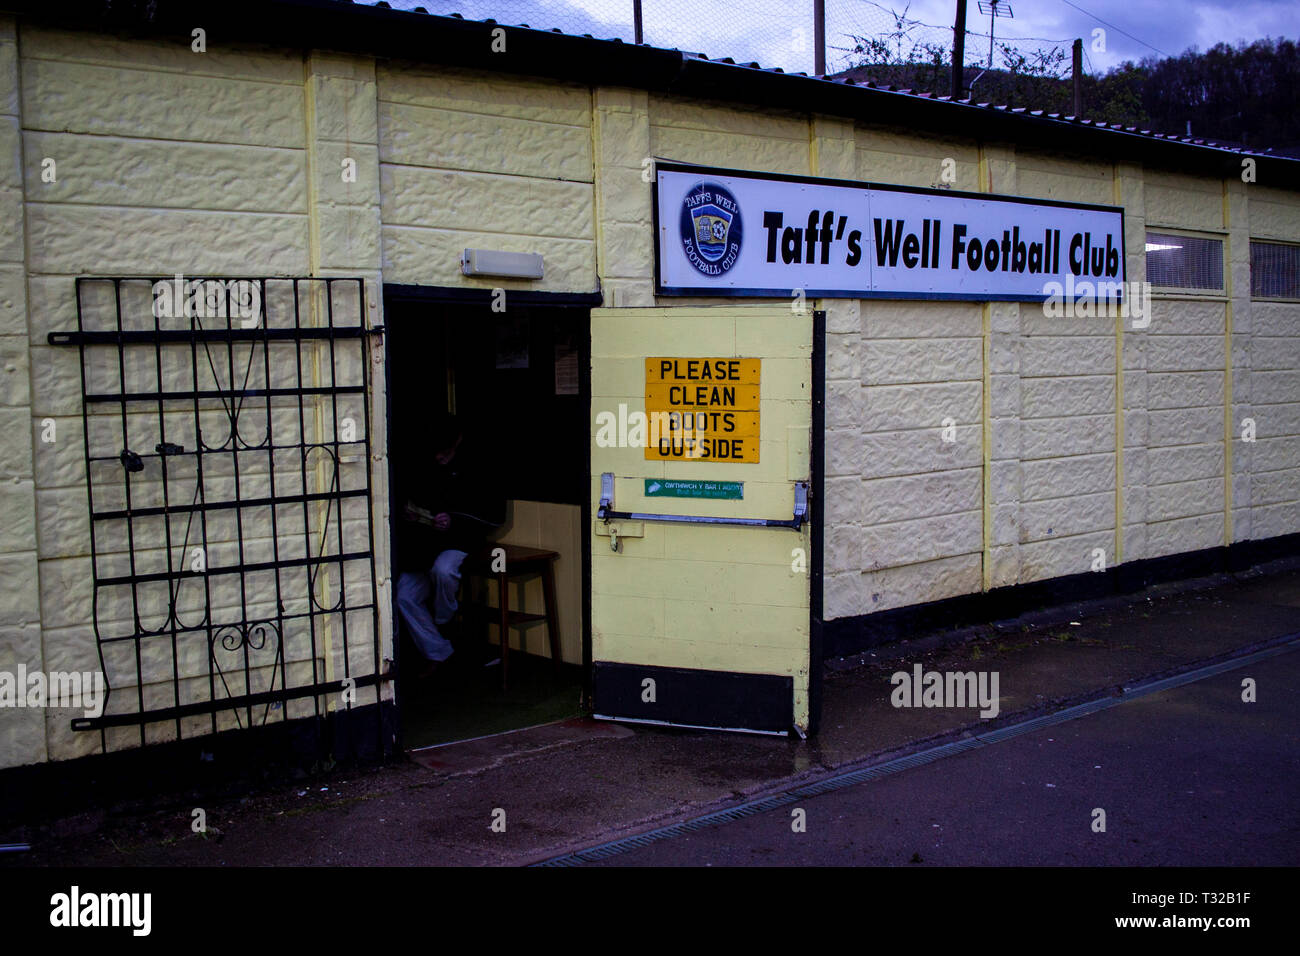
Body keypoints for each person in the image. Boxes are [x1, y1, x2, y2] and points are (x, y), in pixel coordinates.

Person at [394, 416, 503, 676]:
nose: (440, 458)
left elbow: (491, 514)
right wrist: (413, 514)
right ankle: (439, 651)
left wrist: (453, 520)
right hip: (426, 543)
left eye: (445, 452)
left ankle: (445, 622)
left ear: (456, 445)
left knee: (444, 570)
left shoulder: (478, 463)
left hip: (461, 540)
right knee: (404, 595)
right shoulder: (426, 464)